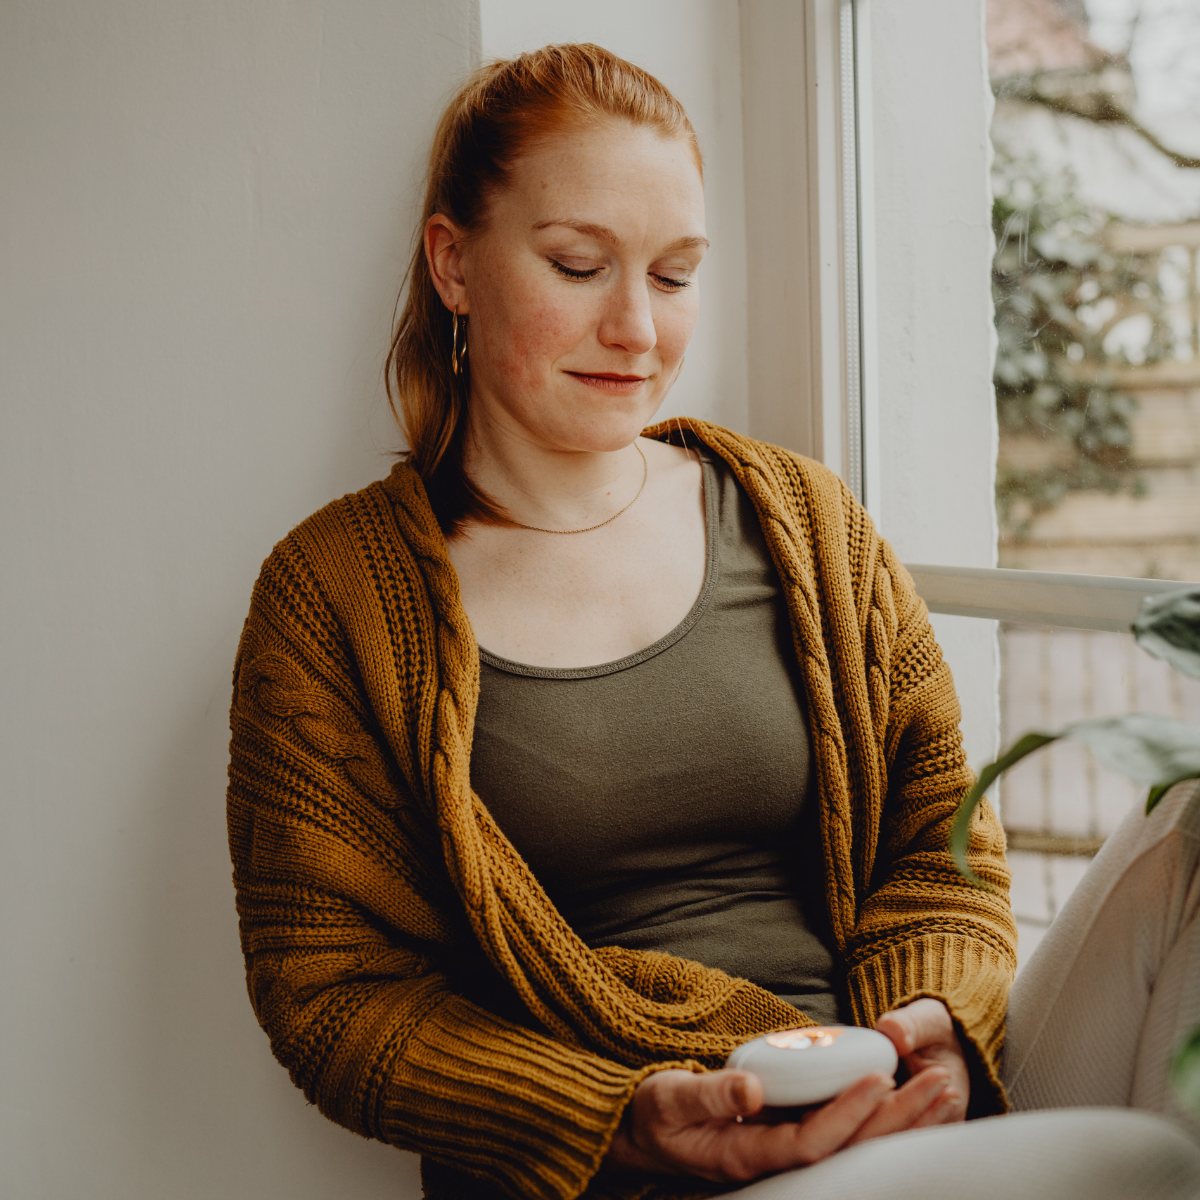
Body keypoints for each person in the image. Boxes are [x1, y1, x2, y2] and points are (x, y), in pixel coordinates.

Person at [225, 44, 1200, 1199]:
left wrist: (931, 1023)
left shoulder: (802, 519)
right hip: (626, 1162)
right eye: (580, 265)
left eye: (676, 275)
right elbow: (335, 998)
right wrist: (626, 1118)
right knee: (1135, 1167)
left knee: (1190, 827)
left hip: (887, 1096)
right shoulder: (333, 597)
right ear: (453, 264)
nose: (637, 328)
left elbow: (938, 845)